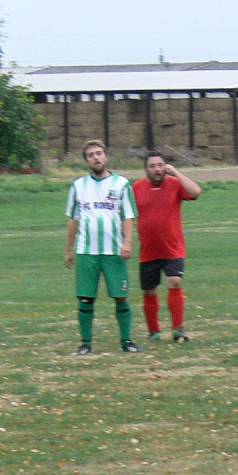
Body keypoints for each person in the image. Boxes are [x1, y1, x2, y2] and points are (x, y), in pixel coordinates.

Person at [64, 139, 139, 355]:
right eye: (91, 155)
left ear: (106, 156)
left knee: (120, 296)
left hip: (113, 251)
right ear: (86, 160)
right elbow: (73, 220)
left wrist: (127, 242)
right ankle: (85, 343)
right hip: (87, 251)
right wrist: (68, 249)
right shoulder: (78, 186)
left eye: (99, 153)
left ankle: (127, 341)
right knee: (86, 297)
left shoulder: (122, 184)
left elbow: (128, 216)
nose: (96, 157)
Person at [132, 151, 202, 343]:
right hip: (148, 251)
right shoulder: (136, 188)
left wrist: (176, 172)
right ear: (146, 169)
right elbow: (126, 215)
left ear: (165, 167)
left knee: (175, 282)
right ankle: (153, 332)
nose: (157, 169)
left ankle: (178, 329)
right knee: (149, 290)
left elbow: (196, 192)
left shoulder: (174, 184)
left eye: (160, 165)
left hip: (172, 248)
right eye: (152, 166)